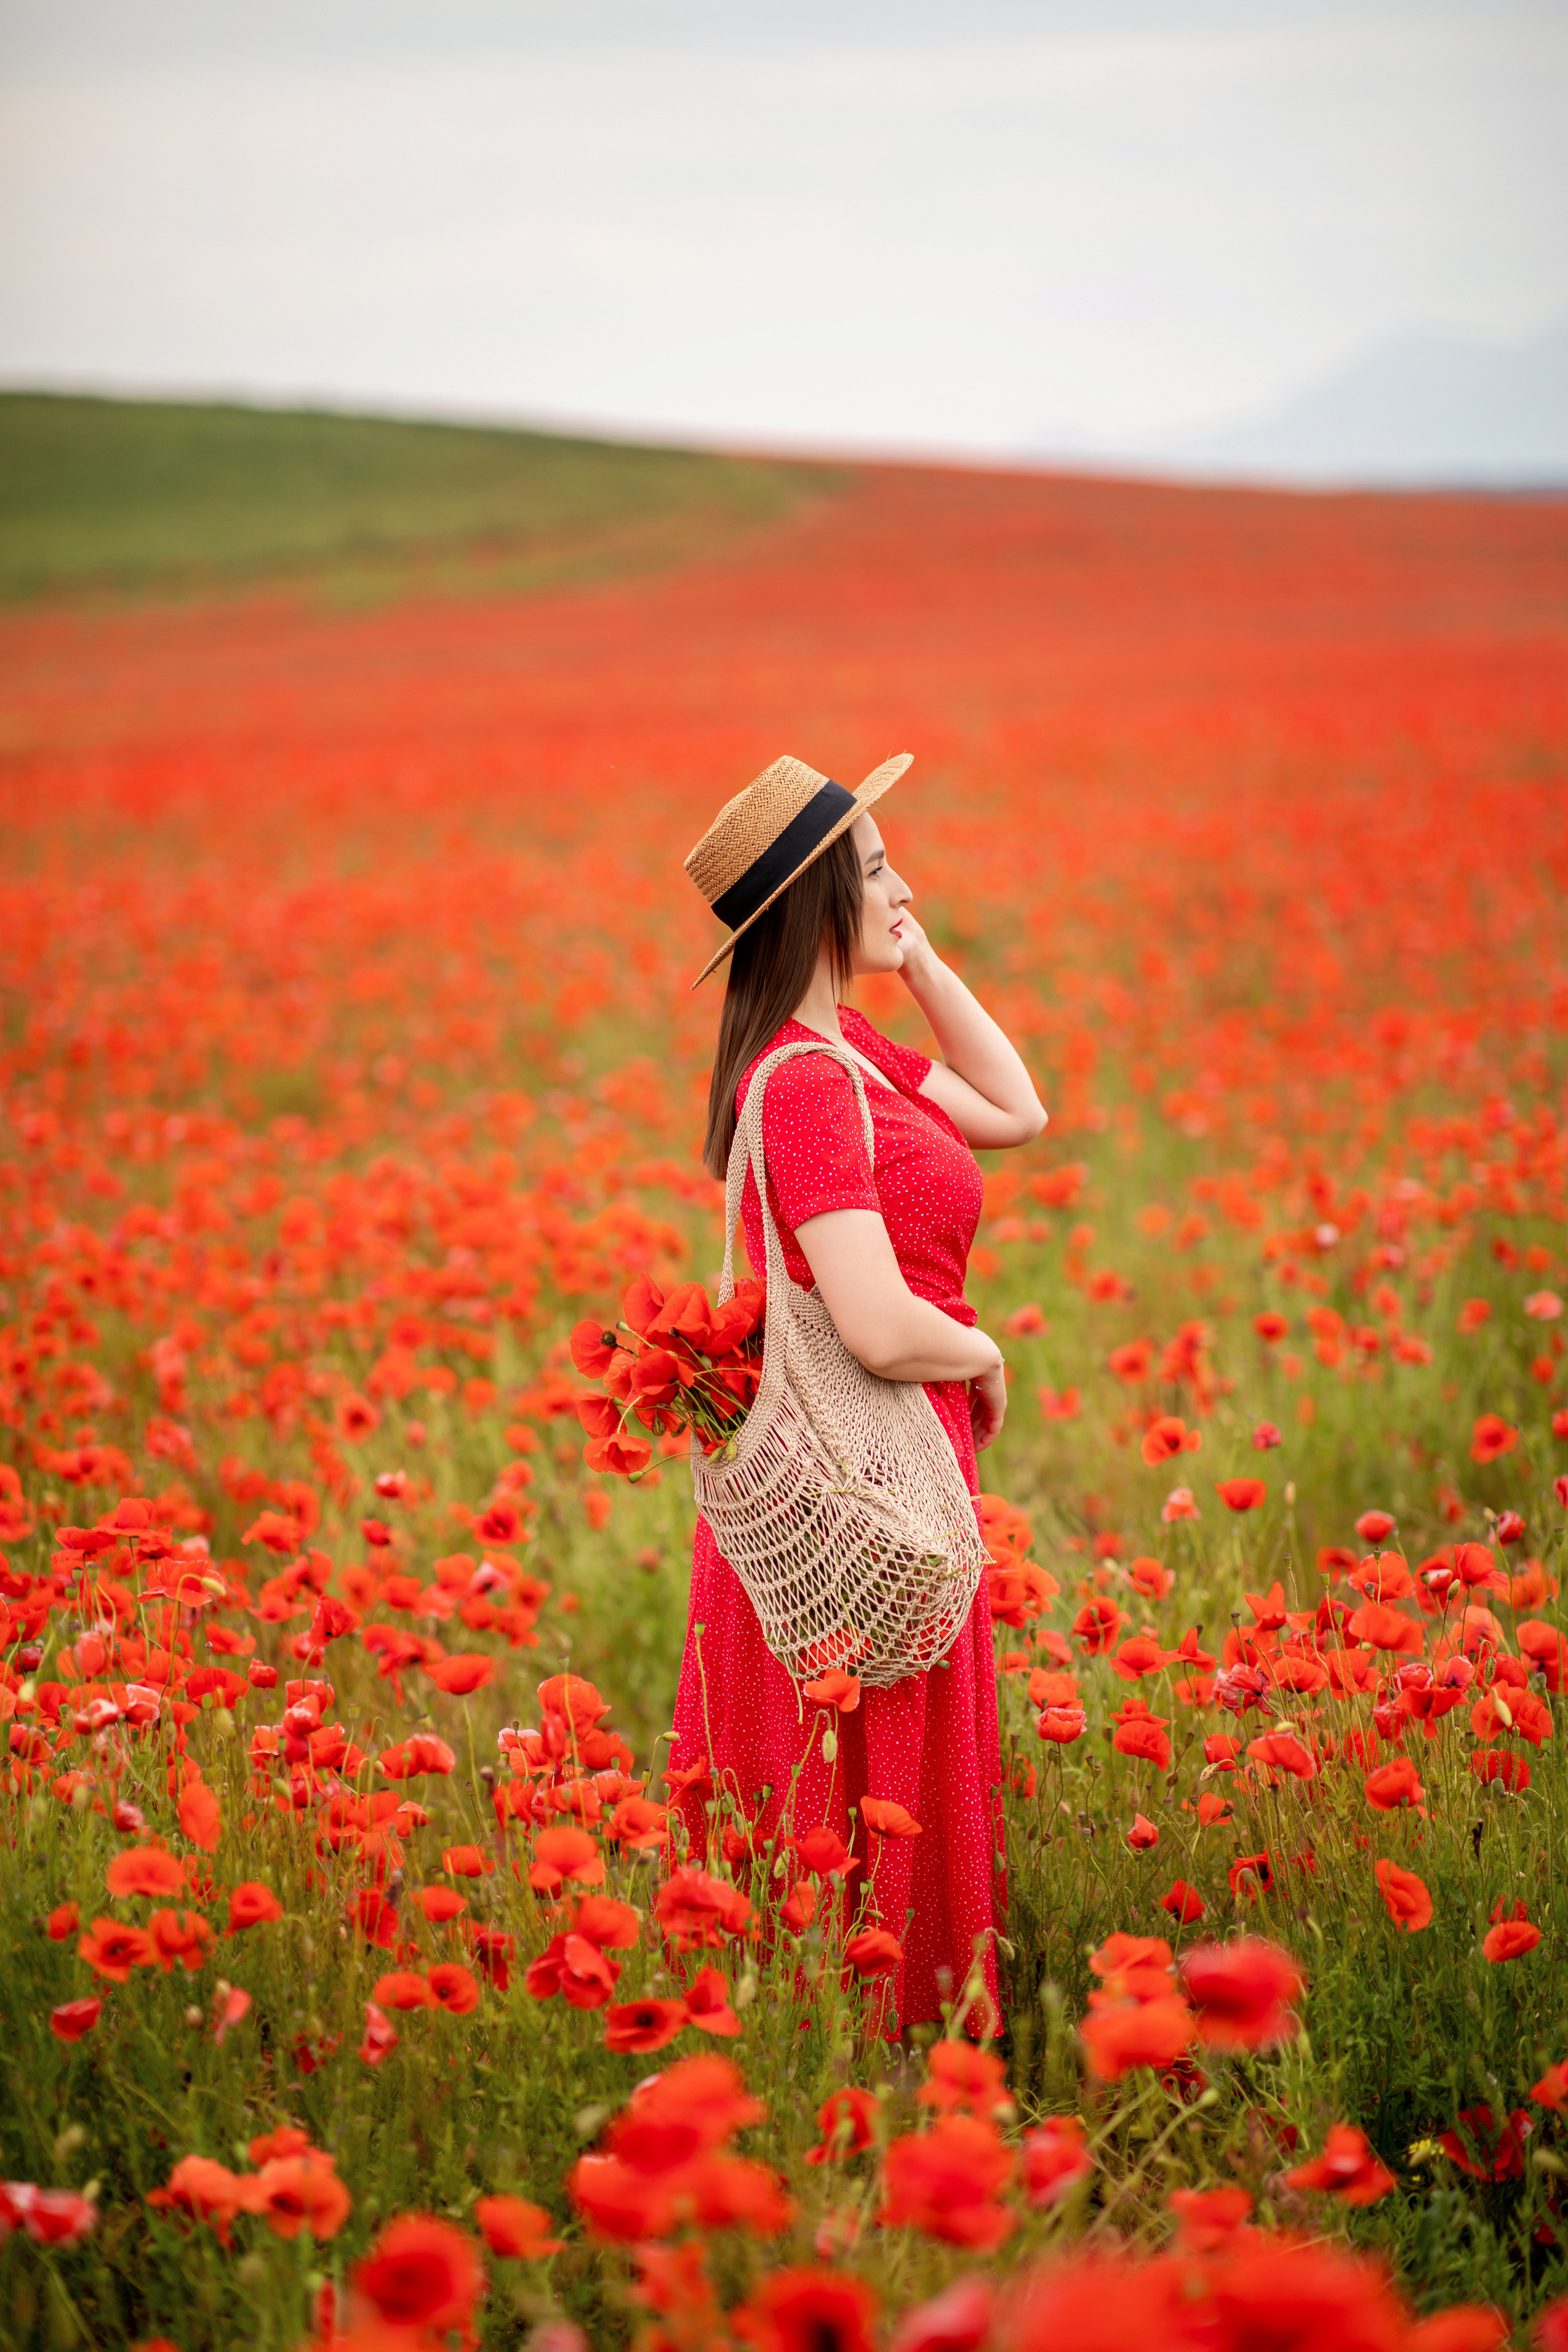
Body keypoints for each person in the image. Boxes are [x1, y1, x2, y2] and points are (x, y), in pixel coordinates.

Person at [668, 752, 1047, 2035]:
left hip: (896, 1462)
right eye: (876, 870)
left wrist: (916, 956)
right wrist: (982, 1352)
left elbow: (1015, 1108)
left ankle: (875, 2075)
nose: (903, 887)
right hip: (857, 1476)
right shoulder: (812, 1087)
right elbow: (879, 1325)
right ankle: (848, 2081)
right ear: (814, 902)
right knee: (852, 1782)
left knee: (883, 1772)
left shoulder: (854, 1056)